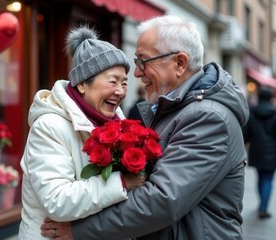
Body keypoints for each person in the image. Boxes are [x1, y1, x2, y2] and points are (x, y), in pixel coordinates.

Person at [41, 15, 250, 240]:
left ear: (179, 63)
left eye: (143, 61)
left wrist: (79, 231)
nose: (138, 72)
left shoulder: (208, 116)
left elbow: (162, 200)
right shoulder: (176, 108)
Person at [18, 26, 146, 240]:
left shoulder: (114, 122)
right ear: (82, 84)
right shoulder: (49, 126)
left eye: (124, 83)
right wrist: (122, 182)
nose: (121, 91)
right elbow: (57, 200)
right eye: (112, 81)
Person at [243, 87, 276, 219]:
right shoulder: (275, 113)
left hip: (256, 150)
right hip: (272, 152)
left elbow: (246, 133)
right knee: (268, 179)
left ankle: (261, 205)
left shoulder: (252, 112)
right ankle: (263, 207)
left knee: (260, 178)